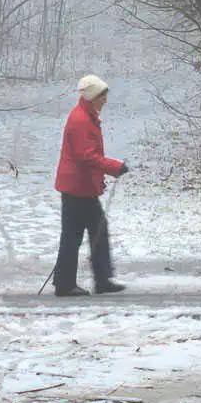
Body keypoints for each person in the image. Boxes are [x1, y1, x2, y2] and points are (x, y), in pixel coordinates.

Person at [51, 73, 127, 296]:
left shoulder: (87, 116)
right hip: (76, 189)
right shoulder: (81, 120)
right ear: (93, 96)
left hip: (81, 187)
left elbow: (87, 158)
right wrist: (114, 167)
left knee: (98, 231)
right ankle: (66, 285)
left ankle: (101, 280)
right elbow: (86, 157)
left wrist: (99, 180)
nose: (105, 100)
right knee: (73, 237)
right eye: (102, 96)